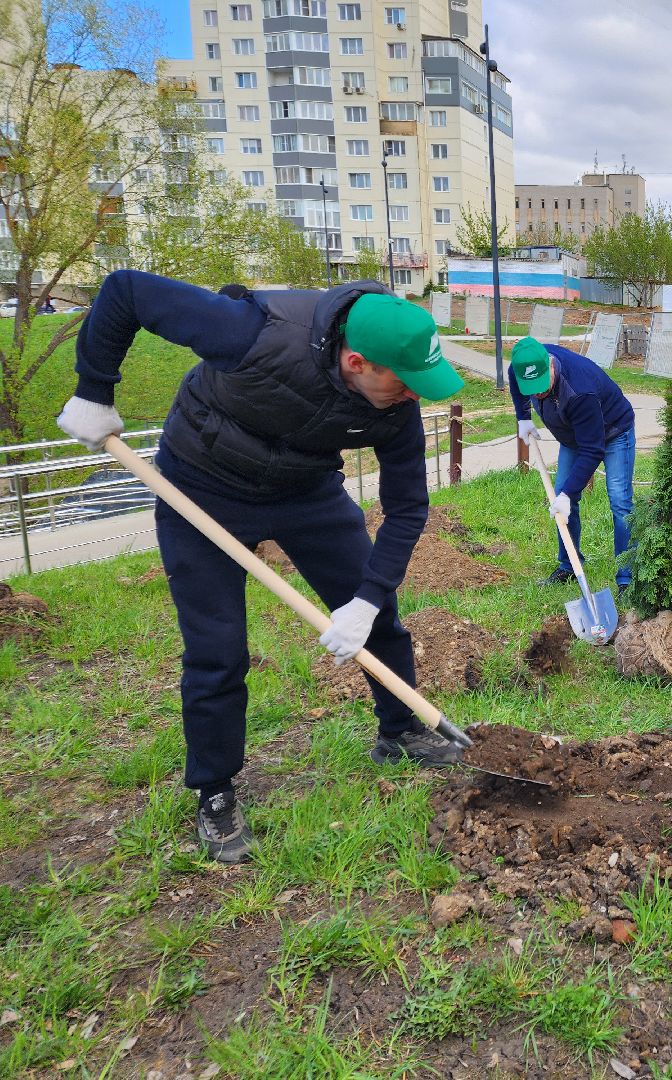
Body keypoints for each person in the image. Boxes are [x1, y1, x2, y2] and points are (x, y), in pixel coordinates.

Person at [55, 271, 466, 864]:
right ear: (357, 362)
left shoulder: (396, 406)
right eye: (404, 382)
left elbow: (406, 507)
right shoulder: (254, 332)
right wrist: (94, 389)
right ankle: (215, 793)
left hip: (307, 491)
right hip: (202, 488)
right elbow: (126, 291)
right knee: (218, 649)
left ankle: (399, 732)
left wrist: (369, 597)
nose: (413, 396)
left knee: (379, 616)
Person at [508, 336, 636, 593]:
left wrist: (570, 492)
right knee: (560, 500)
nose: (538, 393)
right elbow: (514, 380)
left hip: (614, 433)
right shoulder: (521, 365)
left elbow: (593, 449)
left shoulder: (580, 390)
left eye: (542, 386)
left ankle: (626, 579)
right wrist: (523, 417)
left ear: (550, 366)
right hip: (573, 437)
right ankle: (569, 565)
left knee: (620, 502)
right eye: (531, 388)